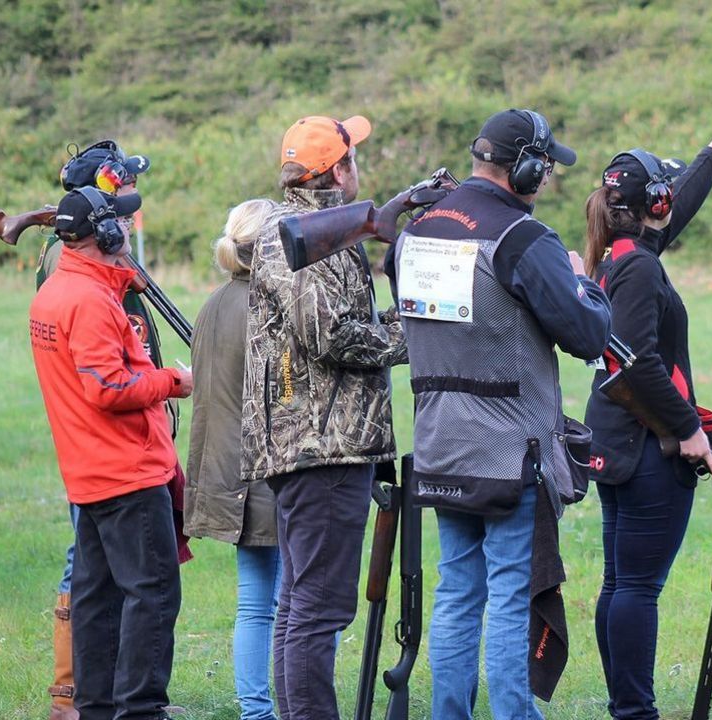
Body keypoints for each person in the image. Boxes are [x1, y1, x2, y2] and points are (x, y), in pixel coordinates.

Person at [385, 108, 611, 719]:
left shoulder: (411, 235)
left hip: (440, 445)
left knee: (458, 593)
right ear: (528, 168)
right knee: (512, 595)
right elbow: (587, 335)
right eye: (545, 167)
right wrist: (583, 280)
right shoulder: (523, 239)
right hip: (513, 453)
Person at [581, 111, 712, 720]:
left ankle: (626, 705)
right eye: (665, 193)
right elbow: (637, 364)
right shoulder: (640, 268)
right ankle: (635, 711)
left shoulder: (619, 254)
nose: (671, 202)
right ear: (653, 203)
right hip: (648, 448)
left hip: (616, 441)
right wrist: (687, 432)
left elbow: (678, 208)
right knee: (636, 587)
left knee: (620, 583)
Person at [240, 114, 407, 720]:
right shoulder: (298, 237)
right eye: (352, 155)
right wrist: (407, 331)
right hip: (324, 446)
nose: (358, 163)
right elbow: (328, 336)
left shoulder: (305, 231)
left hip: (311, 444)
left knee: (299, 605)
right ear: (339, 170)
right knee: (318, 609)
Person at [29, 186, 193, 720]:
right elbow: (109, 388)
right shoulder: (91, 301)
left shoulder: (54, 293)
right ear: (104, 233)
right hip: (126, 473)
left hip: (88, 471)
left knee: (97, 602)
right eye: (119, 220)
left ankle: (96, 709)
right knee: (153, 596)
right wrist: (173, 381)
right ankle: (142, 711)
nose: (126, 226)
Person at [183, 199, 280, 720]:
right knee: (295, 607)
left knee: (255, 602)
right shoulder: (270, 308)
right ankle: (286, 708)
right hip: (270, 476)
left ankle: (255, 710)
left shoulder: (213, 303)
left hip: (227, 474)